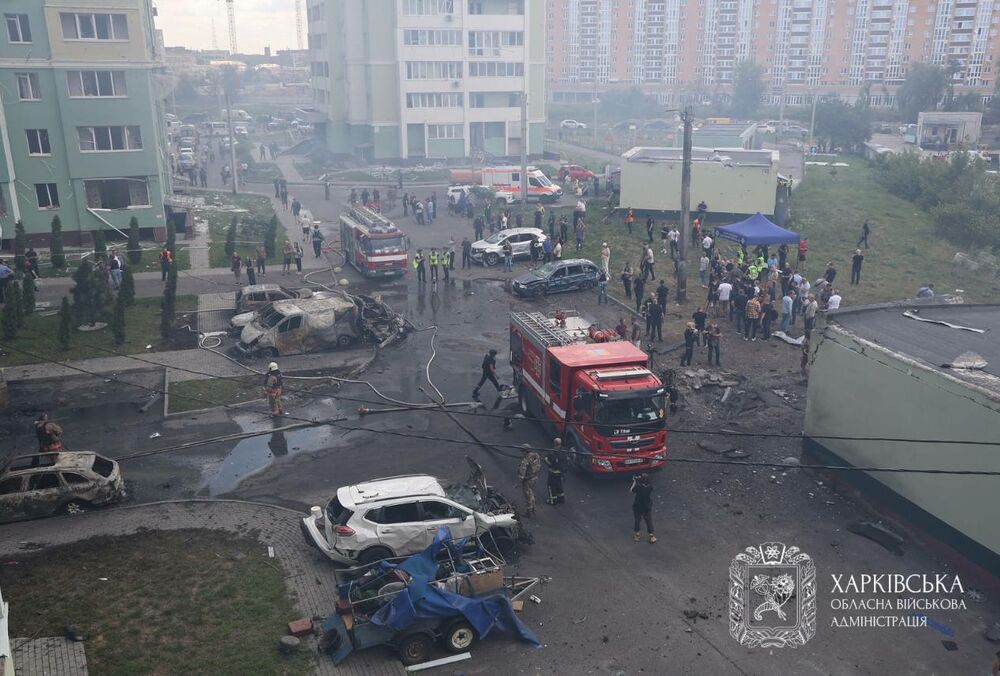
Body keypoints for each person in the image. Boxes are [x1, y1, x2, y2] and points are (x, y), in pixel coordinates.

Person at [518, 443, 542, 518]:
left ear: (525, 451)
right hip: (535, 478)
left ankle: (529, 512)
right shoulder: (536, 456)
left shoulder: (525, 460)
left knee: (528, 496)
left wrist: (520, 479)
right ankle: (533, 507)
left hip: (527, 480)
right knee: (531, 493)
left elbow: (522, 473)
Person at [630, 473, 655, 543]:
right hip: (647, 507)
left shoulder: (638, 487)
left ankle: (637, 535)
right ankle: (651, 536)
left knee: (637, 520)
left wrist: (635, 481)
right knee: (648, 521)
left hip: (637, 506)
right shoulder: (650, 487)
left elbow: (631, 490)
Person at [545, 439, 566, 505]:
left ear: (554, 443)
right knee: (559, 485)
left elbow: (549, 462)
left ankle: (553, 500)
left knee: (551, 486)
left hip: (552, 473)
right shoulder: (563, 452)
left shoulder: (552, 453)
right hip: (560, 473)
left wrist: (546, 459)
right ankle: (561, 498)